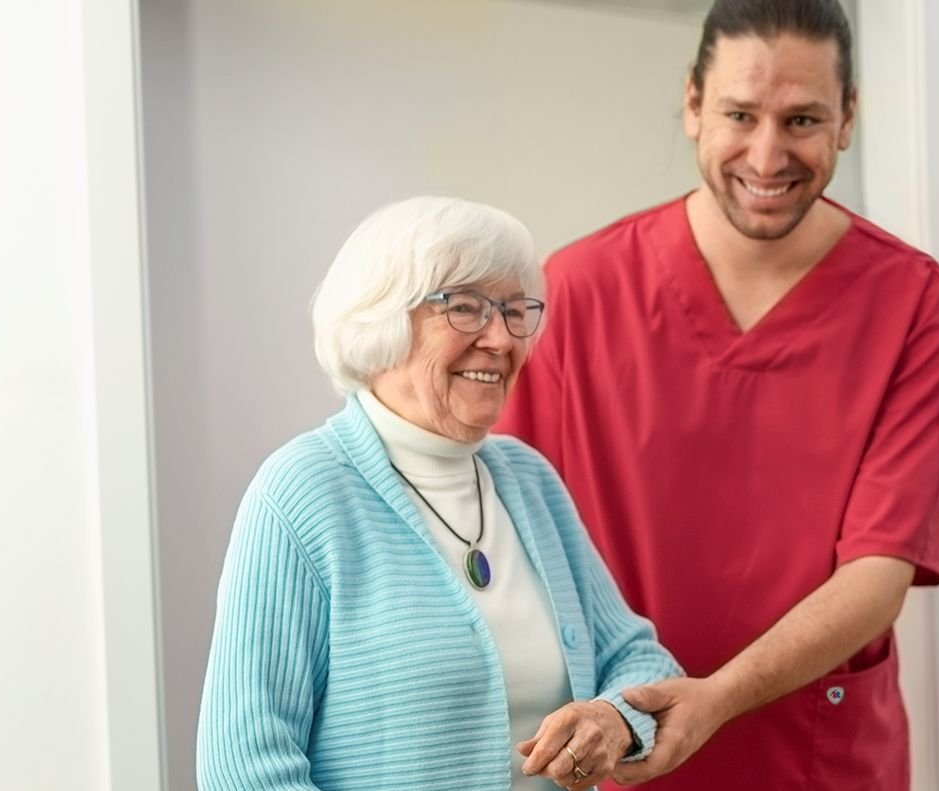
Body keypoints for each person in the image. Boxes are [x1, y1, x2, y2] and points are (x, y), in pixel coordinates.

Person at [494, 1, 939, 788]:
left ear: (848, 118)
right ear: (692, 105)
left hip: (820, 754)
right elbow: (503, 542)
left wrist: (717, 698)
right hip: (617, 751)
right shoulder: (577, 292)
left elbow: (878, 576)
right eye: (740, 114)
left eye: (803, 119)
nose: (767, 153)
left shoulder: (916, 305)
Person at [196, 196, 682, 791]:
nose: (502, 340)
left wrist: (614, 719)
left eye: (513, 311)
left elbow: (643, 661)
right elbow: (243, 768)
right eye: (467, 309)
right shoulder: (304, 492)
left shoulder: (528, 480)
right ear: (382, 320)